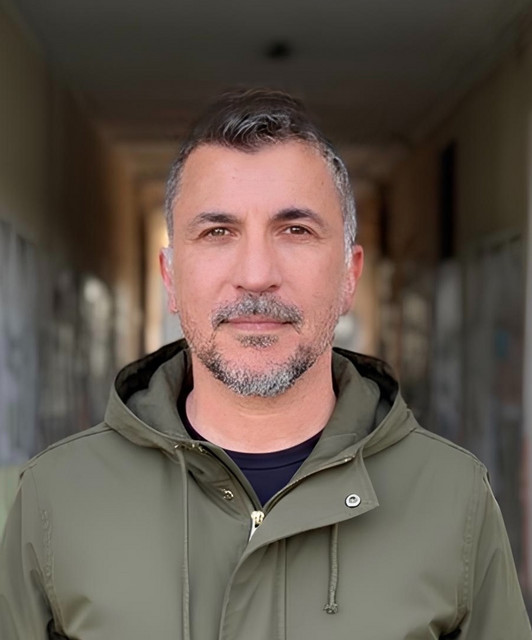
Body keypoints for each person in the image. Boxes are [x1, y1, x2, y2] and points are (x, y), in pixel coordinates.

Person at [0, 88, 530, 640]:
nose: (256, 275)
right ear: (170, 279)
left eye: (296, 230)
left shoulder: (454, 500)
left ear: (349, 277)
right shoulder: (56, 498)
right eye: (217, 232)